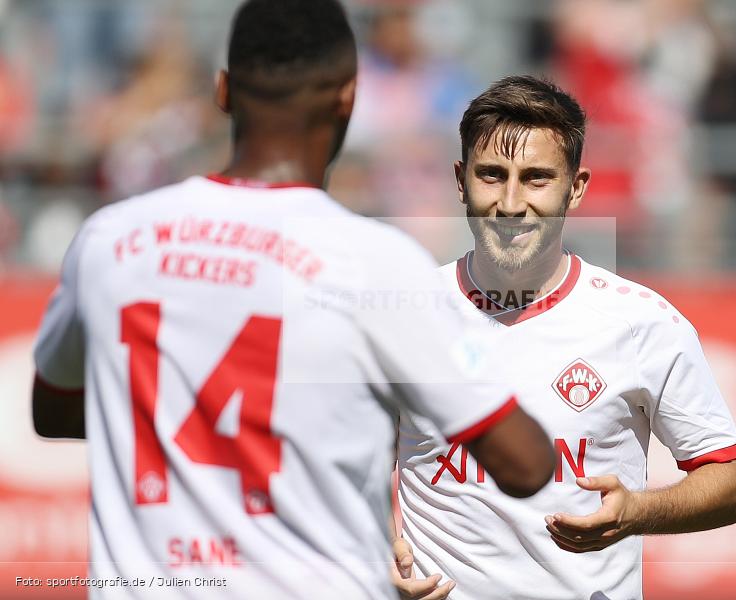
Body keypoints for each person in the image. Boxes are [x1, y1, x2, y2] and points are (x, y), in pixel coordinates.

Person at [30, 3, 555, 599]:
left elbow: (54, 411)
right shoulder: (372, 263)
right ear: (348, 99)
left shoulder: (110, 239)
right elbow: (526, 464)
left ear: (223, 91)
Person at [392, 76, 736, 600]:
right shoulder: (403, 317)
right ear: (460, 179)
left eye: (536, 178)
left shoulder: (642, 325)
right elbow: (339, 466)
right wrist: (375, 548)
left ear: (577, 186)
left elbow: (735, 485)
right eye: (492, 176)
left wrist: (638, 511)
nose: (511, 202)